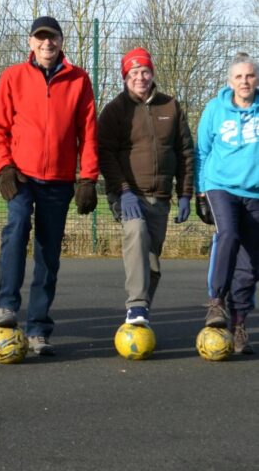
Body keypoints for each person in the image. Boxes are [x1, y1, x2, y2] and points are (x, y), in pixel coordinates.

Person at [0, 16, 99, 355]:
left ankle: (38, 327)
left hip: (59, 180)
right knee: (17, 228)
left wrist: (88, 177)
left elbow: (89, 133)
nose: (47, 44)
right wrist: (5, 167)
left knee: (49, 254)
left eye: (53, 38)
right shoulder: (13, 77)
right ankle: (7, 306)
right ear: (30, 43)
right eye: (41, 38)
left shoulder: (79, 80)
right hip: (21, 175)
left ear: (62, 42)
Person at [97, 48, 194, 327]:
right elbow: (105, 154)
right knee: (136, 230)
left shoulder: (171, 107)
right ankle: (136, 306)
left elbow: (185, 152)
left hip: (160, 197)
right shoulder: (115, 110)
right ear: (125, 77)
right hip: (127, 195)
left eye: (144, 71)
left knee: (152, 263)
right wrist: (123, 190)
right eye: (133, 73)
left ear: (152, 73)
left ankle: (141, 314)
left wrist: (185, 193)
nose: (140, 77)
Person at [194, 52, 259, 355]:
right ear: (230, 81)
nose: (245, 81)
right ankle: (216, 302)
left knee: (249, 263)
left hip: (255, 193)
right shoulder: (215, 109)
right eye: (239, 77)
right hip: (220, 187)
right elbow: (202, 151)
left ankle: (240, 321)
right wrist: (200, 190)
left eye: (250, 76)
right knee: (228, 235)